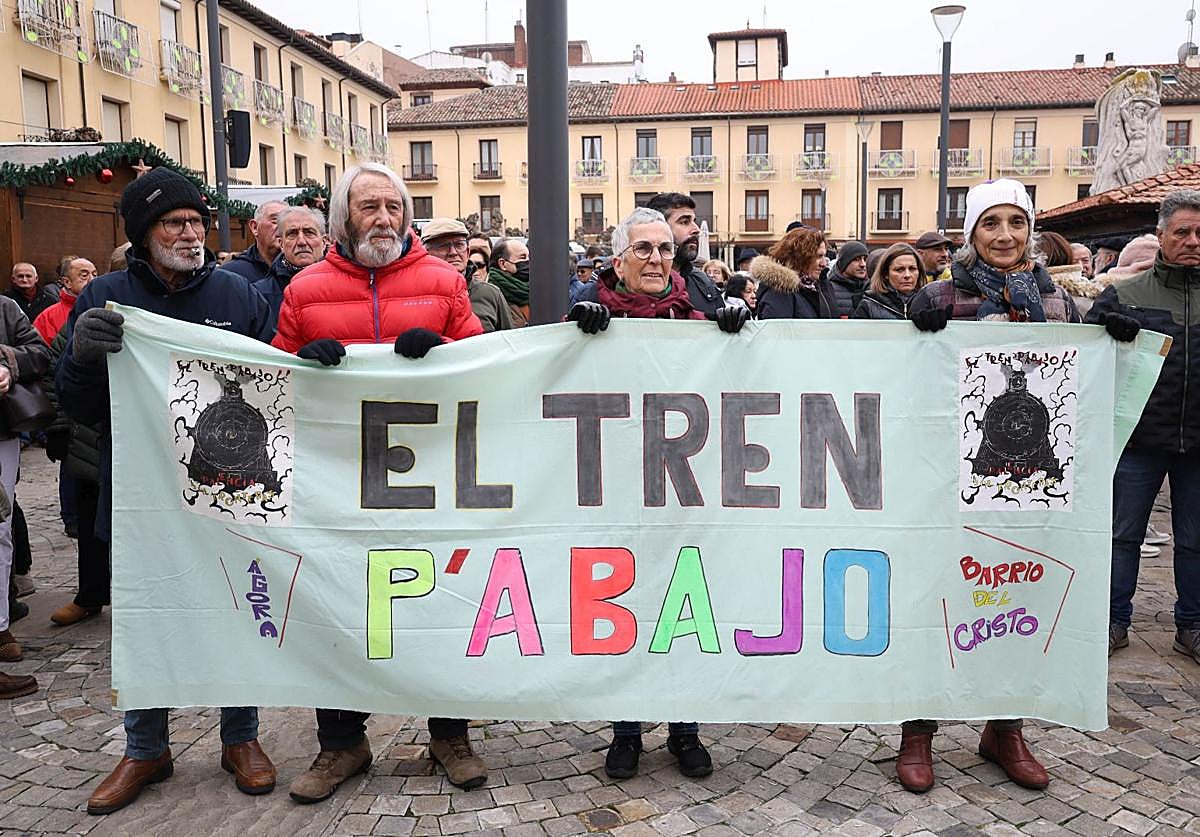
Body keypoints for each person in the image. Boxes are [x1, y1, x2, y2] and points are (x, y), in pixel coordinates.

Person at [55, 167, 277, 814]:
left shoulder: (239, 295)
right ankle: (145, 746)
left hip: (228, 490)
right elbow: (77, 404)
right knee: (146, 618)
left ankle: (241, 738)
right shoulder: (105, 292)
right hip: (141, 493)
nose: (190, 231)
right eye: (173, 221)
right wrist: (81, 356)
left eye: (196, 219)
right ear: (143, 233)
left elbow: (275, 387)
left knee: (235, 609)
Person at [271, 163, 486, 802]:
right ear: (344, 218)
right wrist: (300, 364)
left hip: (431, 477)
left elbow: (485, 366)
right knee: (338, 603)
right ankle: (341, 743)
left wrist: (446, 351)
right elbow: (272, 374)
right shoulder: (305, 290)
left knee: (440, 596)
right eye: (370, 207)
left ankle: (449, 733)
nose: (385, 218)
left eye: (394, 206)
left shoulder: (444, 282)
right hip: (335, 482)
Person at [900, 179, 1106, 794]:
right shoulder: (940, 292)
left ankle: (1005, 729)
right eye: (991, 223)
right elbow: (904, 381)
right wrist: (916, 329)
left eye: (1017, 222)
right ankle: (918, 731)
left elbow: (1083, 383)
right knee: (935, 601)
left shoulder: (1058, 299)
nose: (1006, 235)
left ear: (1032, 230)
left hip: (1028, 487)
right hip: (945, 479)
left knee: (1021, 600)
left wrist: (1111, 338)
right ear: (971, 233)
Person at [567, 206, 747, 780]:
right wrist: (575, 332)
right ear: (618, 259)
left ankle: (684, 730)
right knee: (626, 609)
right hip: (616, 488)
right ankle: (625, 731)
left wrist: (737, 325)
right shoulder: (587, 311)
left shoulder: (696, 309)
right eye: (642, 248)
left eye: (665, 248)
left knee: (684, 609)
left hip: (685, 490)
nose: (655, 258)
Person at [1088, 189, 1199, 662]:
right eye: (1183, 232)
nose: (1194, 240)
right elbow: (1086, 351)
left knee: (1195, 541)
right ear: (1161, 237)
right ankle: (1113, 620)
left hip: (1199, 443)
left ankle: (1191, 625)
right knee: (1121, 534)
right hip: (1137, 439)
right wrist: (1106, 329)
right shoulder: (1126, 294)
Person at [0, 282, 50, 698]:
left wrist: (7, 362)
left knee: (0, 531)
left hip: (1, 435)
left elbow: (40, 355)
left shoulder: (5, 309)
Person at [34, 256, 96, 541]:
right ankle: (70, 516)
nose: (91, 279)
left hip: (93, 423)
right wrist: (55, 424)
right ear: (66, 282)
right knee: (72, 470)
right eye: (83, 274)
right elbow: (46, 366)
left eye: (94, 273)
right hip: (68, 412)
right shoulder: (50, 316)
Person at [422, 217, 511, 333]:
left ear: (468, 252)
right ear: (426, 253)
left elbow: (510, 344)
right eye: (443, 246)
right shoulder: (414, 296)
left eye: (459, 245)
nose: (453, 252)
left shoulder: (491, 294)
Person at [644, 193, 723, 316]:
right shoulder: (629, 283)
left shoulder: (704, 283)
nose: (696, 229)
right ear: (658, 228)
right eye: (684, 222)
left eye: (694, 221)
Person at [253, 206, 327, 326]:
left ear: (324, 242)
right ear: (281, 244)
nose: (301, 241)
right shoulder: (259, 295)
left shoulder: (346, 287)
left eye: (309, 233)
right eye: (292, 234)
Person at [753, 227, 835, 319]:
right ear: (800, 257)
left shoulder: (819, 287)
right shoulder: (779, 293)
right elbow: (777, 332)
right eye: (819, 256)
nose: (824, 264)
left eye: (824, 256)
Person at [852, 243, 925, 319]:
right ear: (885, 273)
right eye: (899, 270)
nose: (907, 275)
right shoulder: (868, 305)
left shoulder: (929, 302)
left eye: (912, 269)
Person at [224, 200, 287, 282]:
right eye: (275, 221)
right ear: (254, 227)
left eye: (287, 223)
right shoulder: (230, 274)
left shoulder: (302, 269)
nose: (283, 228)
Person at [487, 238, 531, 327]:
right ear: (503, 264)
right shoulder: (491, 295)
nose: (528, 261)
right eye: (522, 257)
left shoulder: (536, 290)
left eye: (529, 257)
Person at [826, 240, 869, 318]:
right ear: (844, 263)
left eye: (865, 259)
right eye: (856, 259)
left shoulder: (871, 289)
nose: (863, 264)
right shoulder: (828, 289)